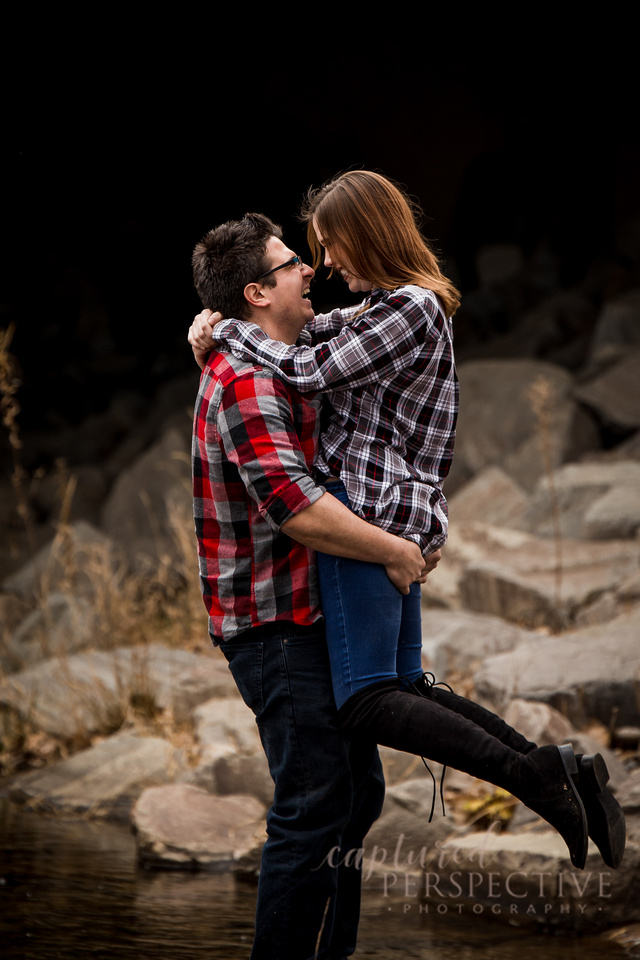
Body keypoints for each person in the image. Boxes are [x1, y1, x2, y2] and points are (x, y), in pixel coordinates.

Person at [190, 171, 625, 873]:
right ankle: (555, 772)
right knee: (405, 688)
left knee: (366, 701)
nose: (322, 266)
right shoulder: (385, 308)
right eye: (306, 256)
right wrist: (224, 334)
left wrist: (231, 334)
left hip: (374, 512)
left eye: (328, 248)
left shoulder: (409, 309)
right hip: (389, 515)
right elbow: (305, 341)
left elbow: (303, 370)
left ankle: (539, 779)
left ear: (367, 234)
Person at [191, 211, 439, 960]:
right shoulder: (246, 381)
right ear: (257, 293)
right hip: (271, 627)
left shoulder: (280, 356)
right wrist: (395, 552)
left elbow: (359, 322)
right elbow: (294, 508)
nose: (311, 270)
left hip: (309, 615)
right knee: (313, 805)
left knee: (355, 797)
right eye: (293, 262)